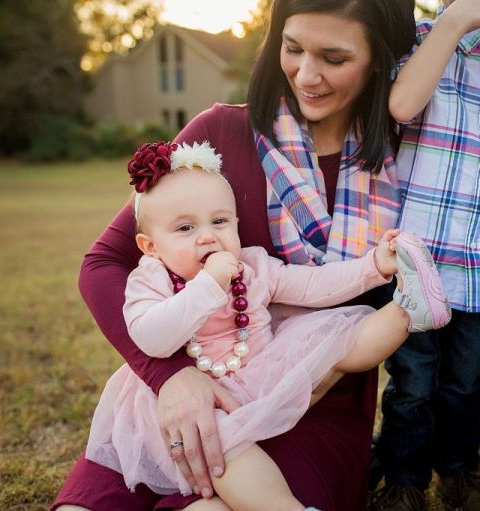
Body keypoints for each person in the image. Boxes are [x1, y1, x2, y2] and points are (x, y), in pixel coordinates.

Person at [50, 1, 417, 510]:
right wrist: (173, 377)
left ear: (380, 57)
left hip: (312, 406)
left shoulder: (408, 158)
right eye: (292, 49)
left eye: (333, 58)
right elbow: (103, 264)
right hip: (174, 390)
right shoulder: (220, 132)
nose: (306, 75)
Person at [85, 140, 450, 510]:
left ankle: (409, 307)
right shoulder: (151, 278)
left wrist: (374, 265)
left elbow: (313, 285)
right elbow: (150, 337)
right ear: (150, 246)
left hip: (261, 371)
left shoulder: (251, 265)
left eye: (219, 221)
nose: (208, 235)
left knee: (341, 338)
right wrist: (208, 285)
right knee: (223, 444)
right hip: (202, 401)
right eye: (184, 228)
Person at [369, 0, 480, 509]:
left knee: (466, 381)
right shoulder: (418, 44)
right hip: (417, 264)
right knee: (412, 383)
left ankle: (459, 472)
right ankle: (404, 479)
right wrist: (450, 26)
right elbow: (402, 106)